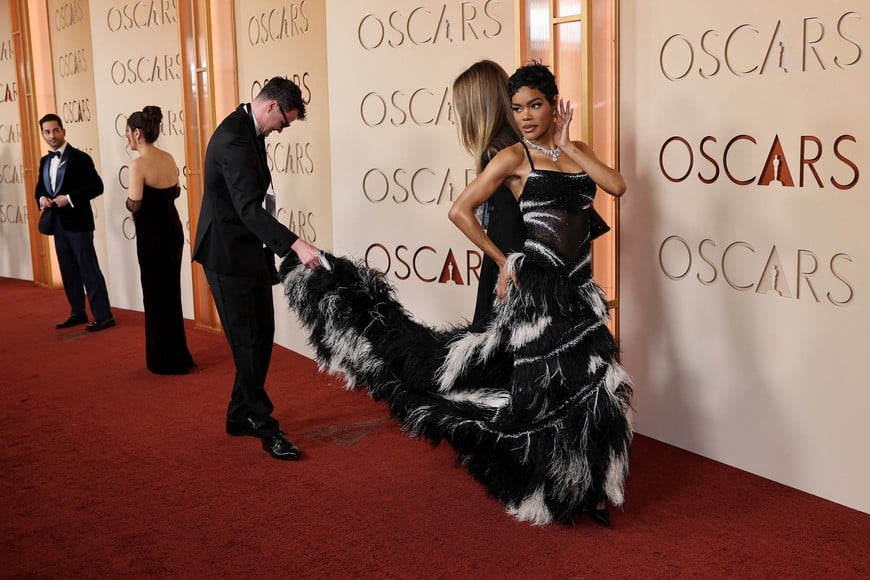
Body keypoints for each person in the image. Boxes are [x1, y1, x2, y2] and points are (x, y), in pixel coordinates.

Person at [279, 63, 633, 526]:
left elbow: (617, 186)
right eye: (517, 108)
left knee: (595, 387)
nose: (526, 116)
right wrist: (505, 261)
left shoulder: (577, 149)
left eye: (535, 105)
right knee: (542, 392)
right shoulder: (512, 158)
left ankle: (595, 489)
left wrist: (568, 146)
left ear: (554, 105)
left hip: (581, 293)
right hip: (537, 297)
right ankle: (548, 485)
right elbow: (460, 210)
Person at [192, 77, 323, 461]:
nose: (281, 130)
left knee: (262, 335)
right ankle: (263, 424)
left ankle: (239, 413)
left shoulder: (250, 129)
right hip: (225, 255)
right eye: (284, 122)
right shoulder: (234, 138)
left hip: (248, 251)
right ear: (271, 107)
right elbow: (249, 208)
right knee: (248, 344)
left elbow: (253, 203)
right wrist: (296, 244)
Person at [452, 60, 524, 327]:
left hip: (509, 263)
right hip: (522, 260)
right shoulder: (518, 146)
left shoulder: (496, 153)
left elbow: (459, 212)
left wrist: (500, 261)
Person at [124, 106, 195, 375]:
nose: (126, 137)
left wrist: (128, 201)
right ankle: (178, 354)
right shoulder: (168, 157)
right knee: (171, 294)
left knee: (155, 296)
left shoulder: (137, 165)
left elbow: (135, 204)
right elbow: (175, 192)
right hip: (172, 232)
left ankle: (163, 360)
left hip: (152, 236)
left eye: (127, 132)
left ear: (137, 133)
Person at [35, 113, 115, 332]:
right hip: (57, 224)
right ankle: (77, 312)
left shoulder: (80, 158)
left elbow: (97, 187)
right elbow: (39, 189)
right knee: (68, 270)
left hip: (79, 224)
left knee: (88, 269)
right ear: (42, 134)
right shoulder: (44, 161)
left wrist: (69, 198)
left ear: (64, 131)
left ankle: (104, 316)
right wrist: (42, 199)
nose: (52, 135)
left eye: (55, 130)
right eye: (47, 132)